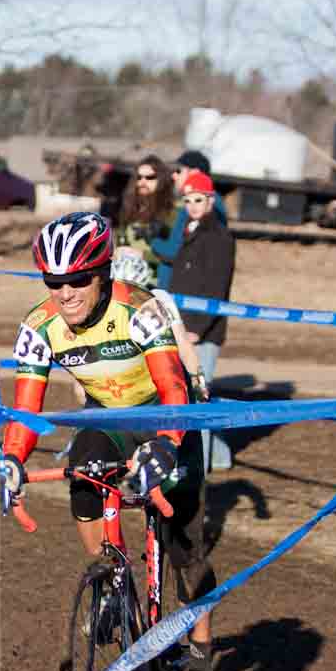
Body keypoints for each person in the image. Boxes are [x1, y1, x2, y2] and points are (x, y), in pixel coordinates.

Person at [0, 211, 222, 671]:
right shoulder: (39, 328)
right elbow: (27, 410)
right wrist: (12, 459)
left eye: (78, 279)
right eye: (54, 281)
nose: (65, 292)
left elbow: (174, 390)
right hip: (112, 423)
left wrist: (167, 444)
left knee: (187, 555)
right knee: (84, 463)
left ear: (102, 274)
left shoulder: (140, 311)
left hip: (167, 419)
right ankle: (108, 576)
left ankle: (202, 663)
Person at [172, 171, 236, 471]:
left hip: (202, 332)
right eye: (187, 200)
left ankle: (204, 464)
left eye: (198, 199)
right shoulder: (189, 229)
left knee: (200, 395)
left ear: (210, 200)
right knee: (192, 394)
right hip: (181, 326)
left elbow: (217, 287)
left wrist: (196, 329)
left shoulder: (220, 237)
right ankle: (220, 456)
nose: (192, 205)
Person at [110, 249, 210, 403]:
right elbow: (184, 345)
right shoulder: (158, 297)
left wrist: (198, 383)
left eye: (138, 296)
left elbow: (183, 344)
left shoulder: (160, 298)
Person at [150, 150, 229, 290]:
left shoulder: (199, 207)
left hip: (184, 295)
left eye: (179, 171)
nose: (174, 175)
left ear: (195, 173)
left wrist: (153, 239)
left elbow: (174, 252)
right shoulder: (213, 202)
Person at [114, 155, 177, 272]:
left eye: (150, 177)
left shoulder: (171, 212)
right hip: (127, 278)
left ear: (161, 179)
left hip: (156, 284)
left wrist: (143, 255)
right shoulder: (130, 208)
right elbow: (121, 240)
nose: (143, 182)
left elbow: (177, 255)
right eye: (139, 177)